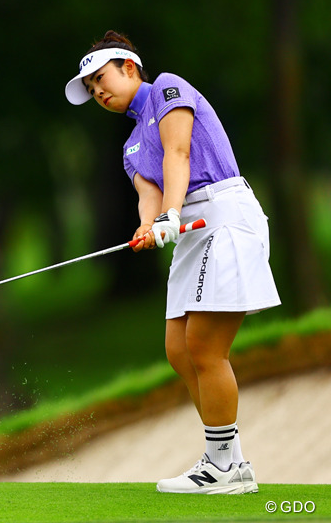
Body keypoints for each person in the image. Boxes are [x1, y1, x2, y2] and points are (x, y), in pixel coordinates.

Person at [64, 31, 280, 495]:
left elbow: (180, 153)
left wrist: (170, 216)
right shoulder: (130, 148)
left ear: (128, 66)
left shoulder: (167, 87)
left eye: (100, 79)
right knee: (179, 351)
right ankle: (231, 462)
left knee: (204, 346)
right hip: (187, 228)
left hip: (222, 216)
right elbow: (149, 193)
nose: (98, 92)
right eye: (90, 89)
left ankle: (222, 466)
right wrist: (149, 226)